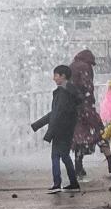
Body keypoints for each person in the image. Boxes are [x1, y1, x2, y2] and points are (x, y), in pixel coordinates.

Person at [31, 64, 83, 193]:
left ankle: (57, 183)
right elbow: (56, 113)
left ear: (63, 76)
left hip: (60, 129)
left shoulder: (63, 93)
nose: (53, 78)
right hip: (67, 128)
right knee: (65, 156)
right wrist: (38, 124)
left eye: (55, 75)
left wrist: (49, 133)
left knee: (55, 156)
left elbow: (57, 114)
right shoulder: (70, 91)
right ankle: (73, 183)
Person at [69, 49, 104, 178]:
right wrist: (89, 100)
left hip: (73, 106)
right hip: (84, 106)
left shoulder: (72, 65)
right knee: (98, 130)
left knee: (78, 137)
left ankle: (78, 166)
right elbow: (87, 85)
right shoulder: (84, 66)